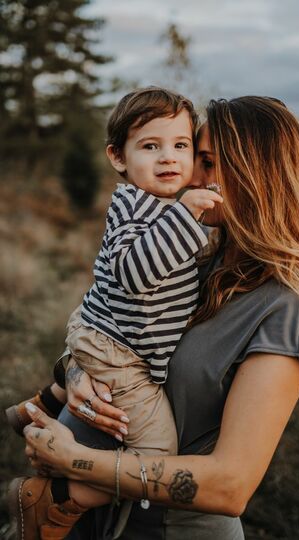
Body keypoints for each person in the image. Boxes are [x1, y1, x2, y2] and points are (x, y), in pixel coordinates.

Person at [15, 96, 299, 540]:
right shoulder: (193, 256)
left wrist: (72, 461)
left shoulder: (284, 308)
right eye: (197, 157)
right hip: (88, 525)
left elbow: (231, 486)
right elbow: (110, 319)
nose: (190, 173)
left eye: (206, 160)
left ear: (255, 174)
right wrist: (76, 375)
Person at [7, 87, 223, 539]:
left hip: (108, 337)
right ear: (118, 158)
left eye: (181, 146)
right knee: (156, 450)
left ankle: (40, 405)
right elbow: (134, 272)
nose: (169, 158)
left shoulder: (166, 209)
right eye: (151, 146)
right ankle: (54, 501)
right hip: (118, 349)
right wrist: (186, 217)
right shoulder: (134, 204)